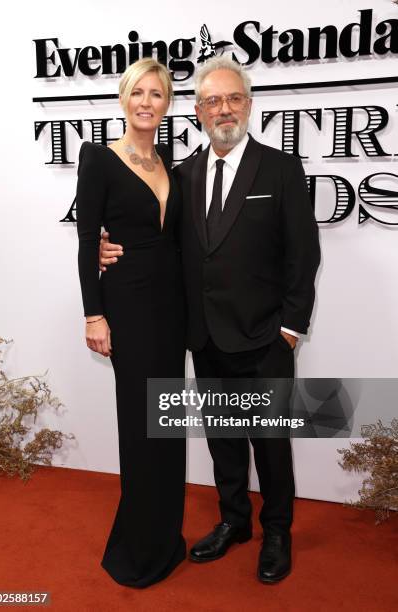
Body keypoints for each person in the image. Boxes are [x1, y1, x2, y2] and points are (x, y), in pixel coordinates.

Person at [99, 56, 320, 583]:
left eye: (233, 99)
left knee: (269, 441)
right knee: (223, 438)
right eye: (212, 101)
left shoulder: (281, 168)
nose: (224, 109)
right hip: (205, 335)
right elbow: (158, 242)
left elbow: (303, 254)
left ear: (248, 104)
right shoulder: (183, 174)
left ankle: (278, 532)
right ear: (198, 112)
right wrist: (107, 250)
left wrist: (292, 327)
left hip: (267, 337)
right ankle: (234, 522)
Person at [76, 58, 186, 588]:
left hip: (173, 309)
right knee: (140, 427)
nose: (147, 102)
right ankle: (137, 549)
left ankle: (165, 537)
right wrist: (94, 313)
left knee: (164, 423)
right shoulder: (99, 157)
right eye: (137, 92)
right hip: (128, 306)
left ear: (168, 103)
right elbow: (85, 240)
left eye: (157, 94)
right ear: (124, 99)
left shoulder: (171, 164)